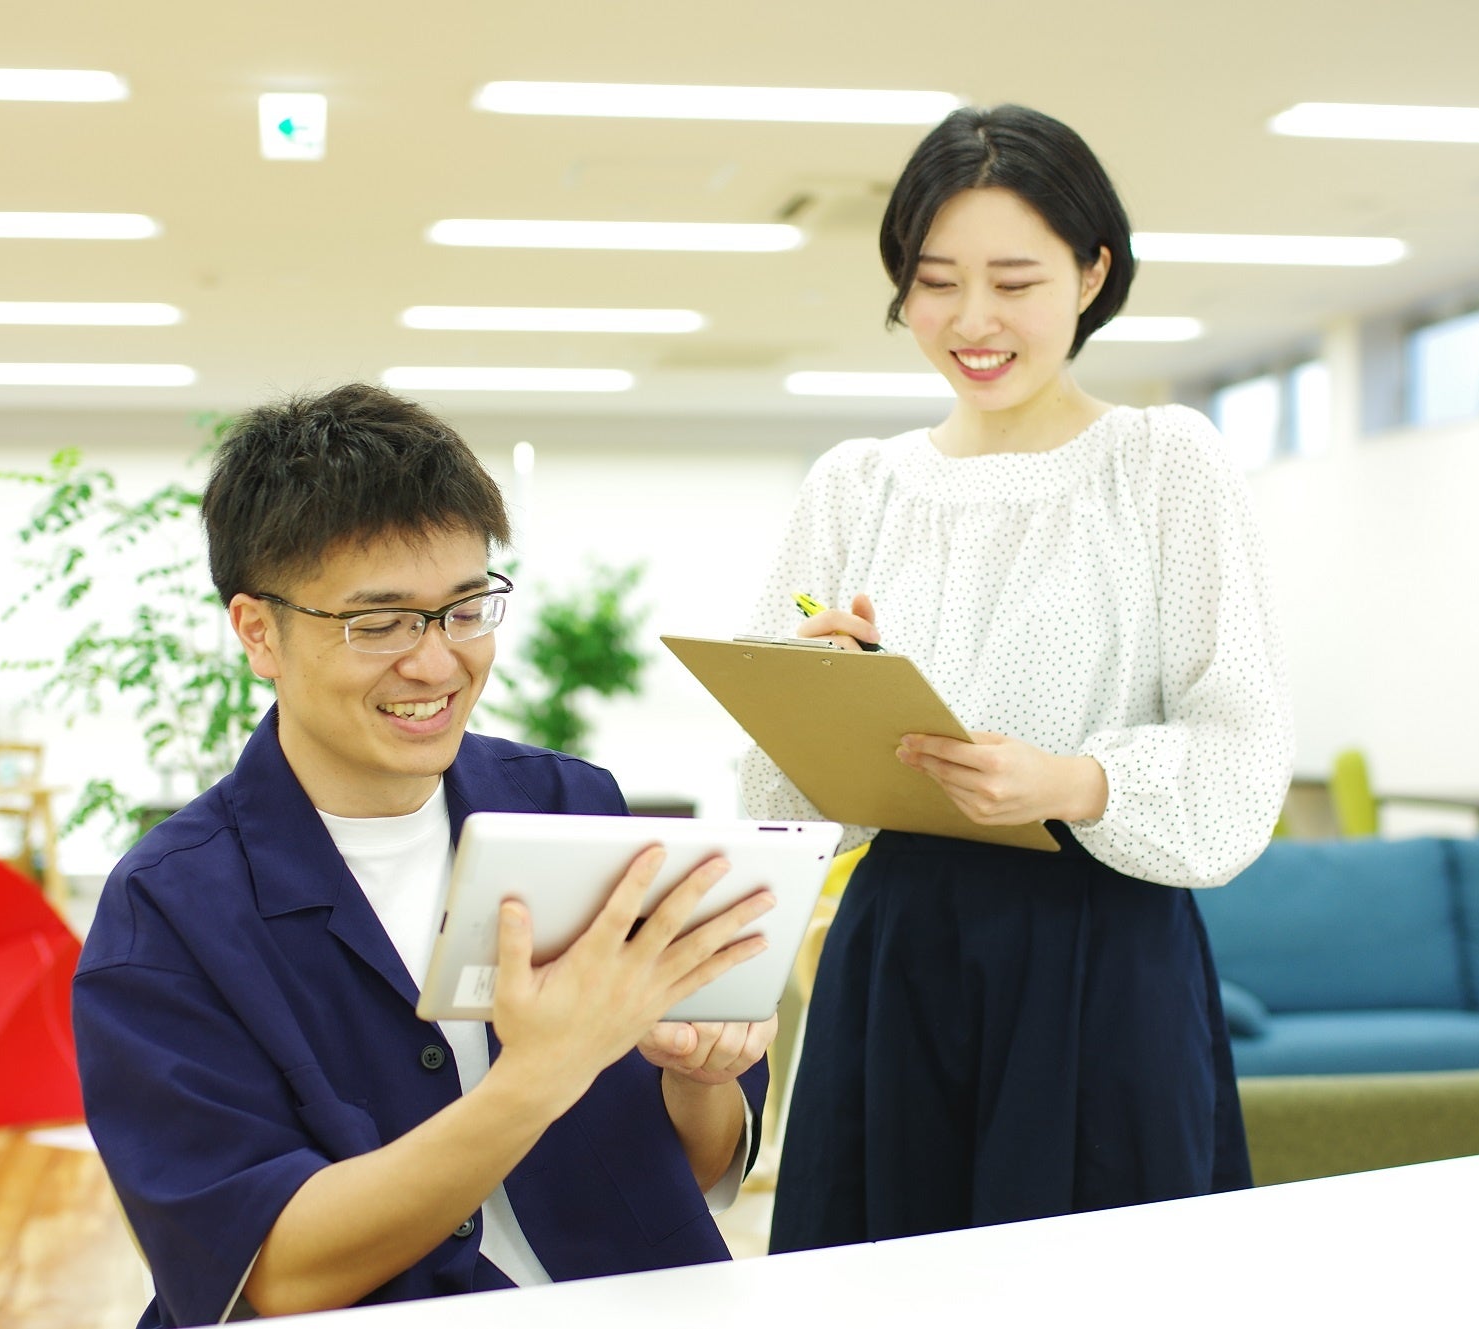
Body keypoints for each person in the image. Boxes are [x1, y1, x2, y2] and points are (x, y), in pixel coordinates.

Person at [74, 383, 777, 1326]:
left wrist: (702, 1077)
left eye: (465, 609)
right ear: (257, 632)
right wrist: (536, 1078)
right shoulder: (169, 910)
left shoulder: (575, 809)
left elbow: (682, 1170)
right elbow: (272, 1271)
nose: (439, 663)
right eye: (380, 623)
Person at [742, 105, 1293, 1251]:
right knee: (878, 1279)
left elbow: (1240, 744)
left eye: (1014, 281)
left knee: (1096, 1275)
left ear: (1092, 273)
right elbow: (772, 799)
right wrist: (817, 696)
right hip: (899, 948)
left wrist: (1073, 782)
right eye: (934, 281)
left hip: (1099, 945)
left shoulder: (1160, 463)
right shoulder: (854, 486)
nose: (971, 321)